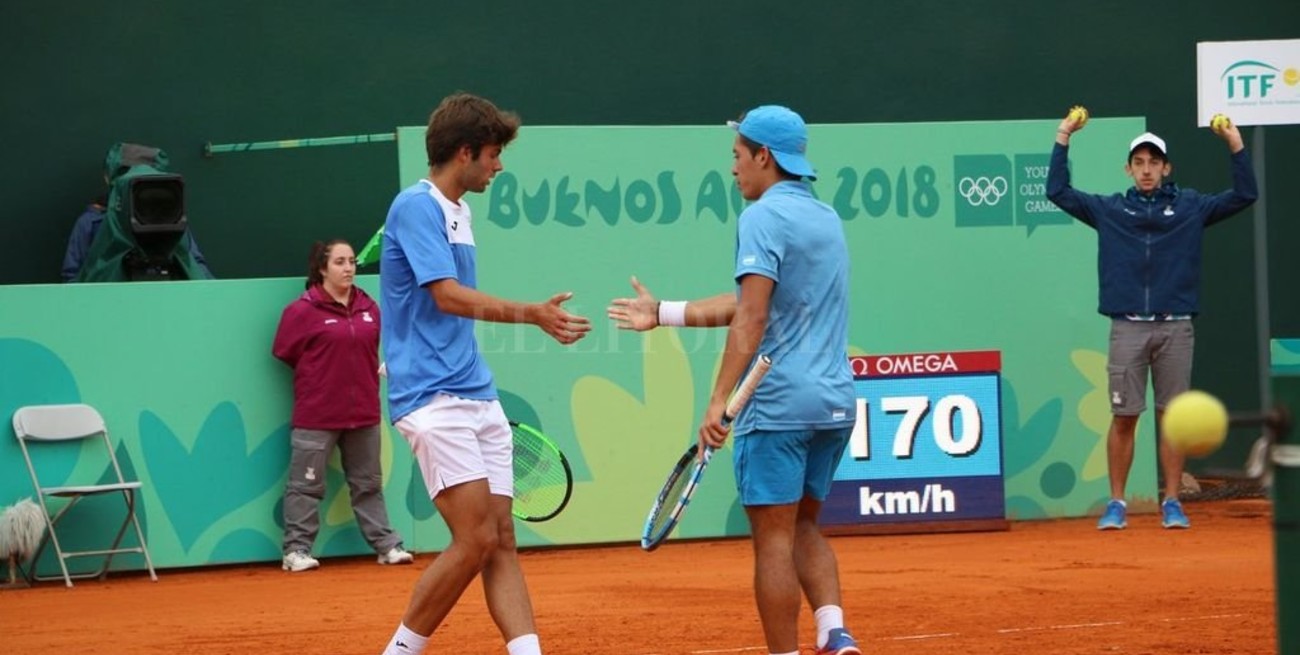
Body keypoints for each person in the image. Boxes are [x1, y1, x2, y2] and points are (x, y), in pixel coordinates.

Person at [608, 105, 862, 655]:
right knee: (803, 527)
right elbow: (753, 300)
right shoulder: (824, 218)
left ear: (763, 156)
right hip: (835, 403)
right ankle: (835, 632)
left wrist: (718, 399)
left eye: (737, 156)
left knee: (773, 539)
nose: (733, 169)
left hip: (777, 405)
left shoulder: (762, 218)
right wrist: (664, 313)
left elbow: (752, 317)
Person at [376, 93, 591, 655]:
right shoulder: (415, 207)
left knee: (500, 541)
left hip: (477, 393)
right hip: (431, 396)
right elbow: (446, 297)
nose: (499, 166)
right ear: (465, 152)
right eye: (493, 154)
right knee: (472, 539)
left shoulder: (460, 212)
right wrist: (534, 314)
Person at [1047, 109, 1258, 530]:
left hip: (1176, 326)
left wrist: (1235, 144)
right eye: (1139, 163)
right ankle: (1118, 504)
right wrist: (1063, 135)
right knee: (1125, 418)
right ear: (1129, 169)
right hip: (1126, 326)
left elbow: (1244, 194)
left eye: (1153, 163)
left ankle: (1173, 502)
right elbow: (1058, 191)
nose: (1146, 170)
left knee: (1172, 418)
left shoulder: (1191, 207)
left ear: (1166, 168)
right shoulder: (1109, 210)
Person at [271, 239, 413, 572]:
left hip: (363, 412)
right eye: (339, 262)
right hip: (316, 415)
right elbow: (284, 351)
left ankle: (386, 546)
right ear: (322, 269)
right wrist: (322, 381)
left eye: (351, 261)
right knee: (305, 486)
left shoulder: (370, 307)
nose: (348, 268)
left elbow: (380, 346)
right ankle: (296, 551)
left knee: (368, 485)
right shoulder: (301, 311)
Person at [62, 143, 213, 281]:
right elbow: (72, 280)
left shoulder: (173, 220)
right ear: (111, 180)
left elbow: (197, 268)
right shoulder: (91, 222)